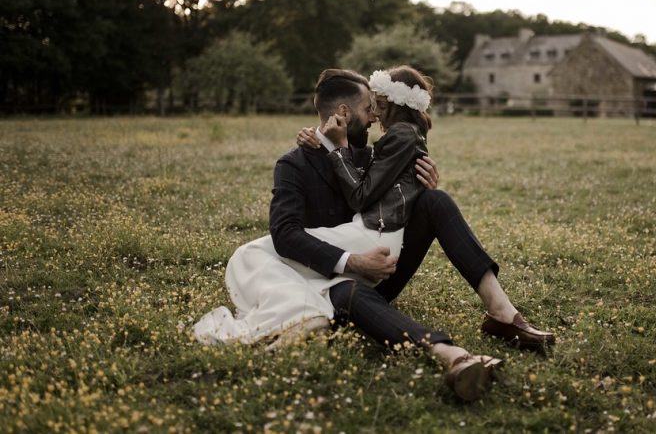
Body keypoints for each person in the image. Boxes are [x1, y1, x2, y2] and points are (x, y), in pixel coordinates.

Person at [196, 66, 554, 401]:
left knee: (436, 200)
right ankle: (453, 356)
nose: (374, 117)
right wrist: (351, 262)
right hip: (326, 280)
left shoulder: (371, 155)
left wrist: (421, 187)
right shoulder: (294, 164)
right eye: (368, 109)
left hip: (381, 269)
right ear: (343, 112)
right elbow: (285, 234)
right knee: (347, 289)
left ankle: (502, 312)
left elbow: (388, 204)